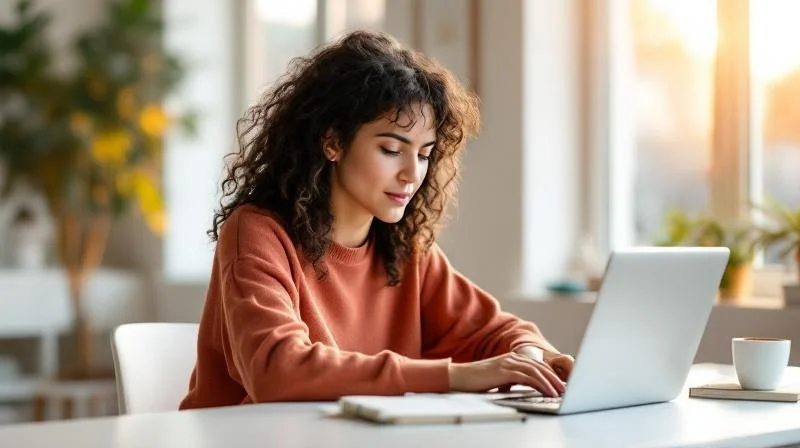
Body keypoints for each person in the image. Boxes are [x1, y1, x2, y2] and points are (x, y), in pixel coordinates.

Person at [179, 30, 573, 410]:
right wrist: (456, 376)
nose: (411, 174)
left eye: (423, 155)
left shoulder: (406, 251)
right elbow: (279, 371)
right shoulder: (257, 233)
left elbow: (498, 331)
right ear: (332, 142)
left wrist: (532, 356)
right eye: (390, 149)